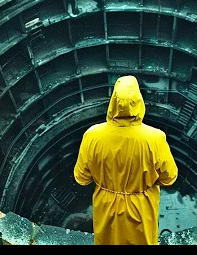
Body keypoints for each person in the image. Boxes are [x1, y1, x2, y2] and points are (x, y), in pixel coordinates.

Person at [73, 75, 178, 245]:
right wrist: (145, 181)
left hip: (106, 205)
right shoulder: (155, 138)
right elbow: (169, 177)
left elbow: (82, 178)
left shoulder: (92, 135)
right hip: (141, 207)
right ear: (139, 102)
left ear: (113, 102)